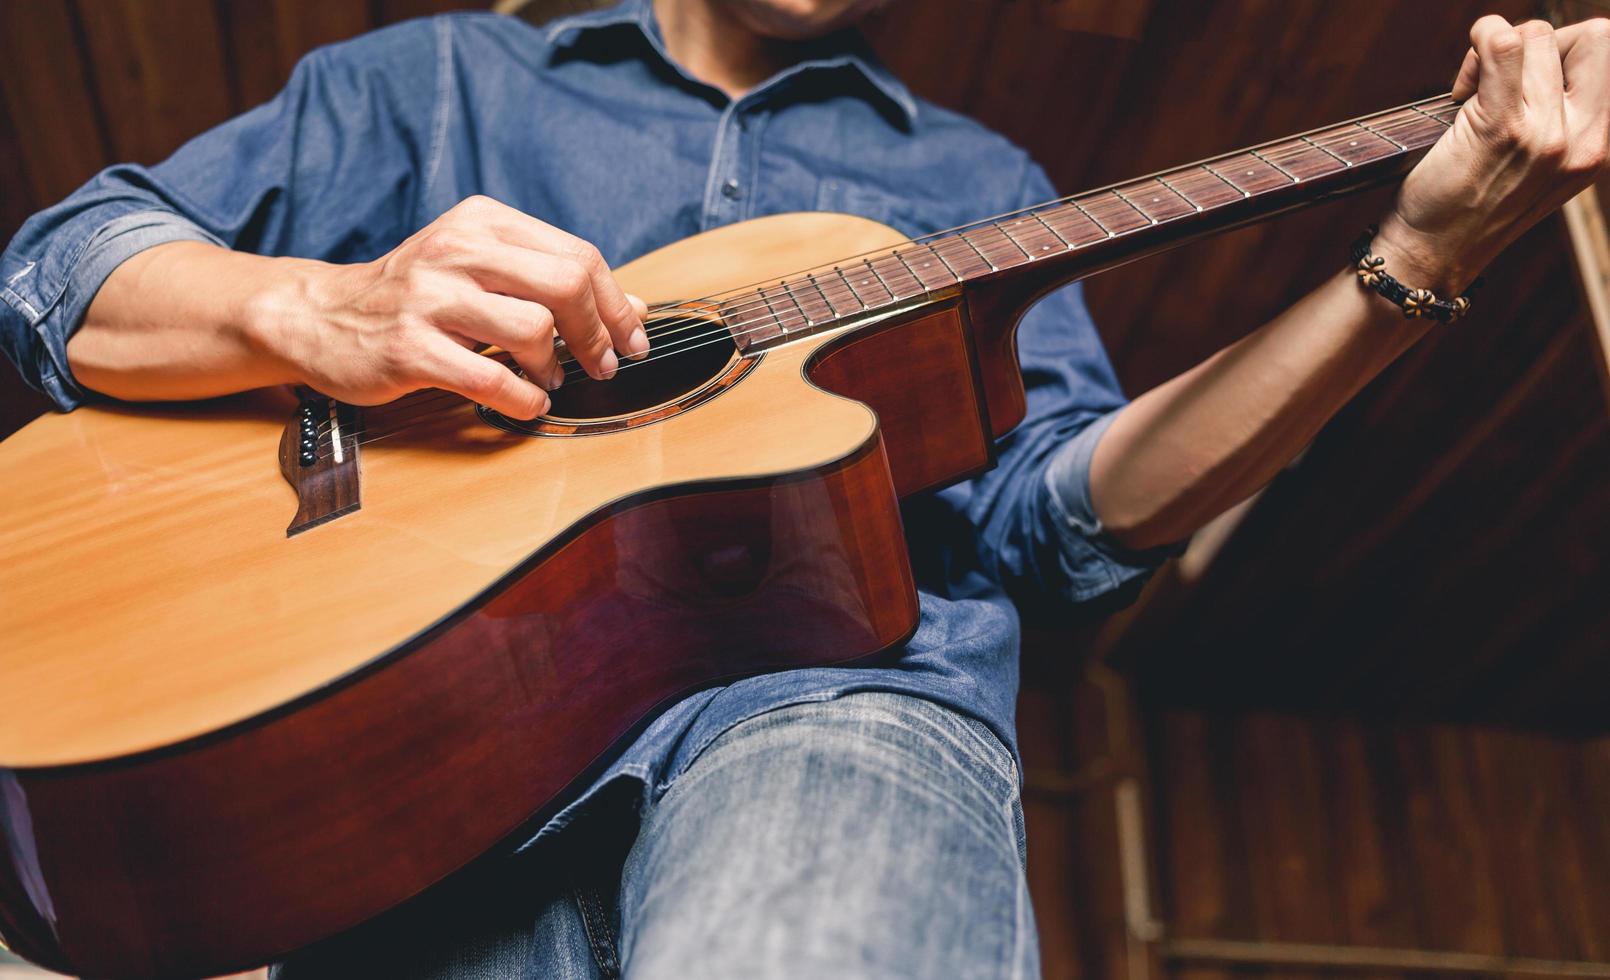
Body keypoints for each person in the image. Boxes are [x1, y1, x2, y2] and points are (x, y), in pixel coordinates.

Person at [1, 1, 1605, 976]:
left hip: (837, 698)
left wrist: (1416, 255)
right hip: (417, 767)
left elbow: (1061, 521)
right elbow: (64, 268)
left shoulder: (979, 188)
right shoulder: (435, 82)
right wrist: (319, 310)